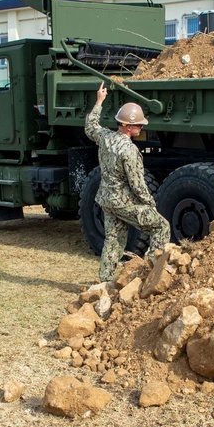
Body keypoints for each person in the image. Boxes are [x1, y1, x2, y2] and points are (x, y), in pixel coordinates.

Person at [85, 82, 170, 282]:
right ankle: (150, 270)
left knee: (113, 240)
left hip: (106, 199)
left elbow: (90, 127)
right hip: (123, 202)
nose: (141, 127)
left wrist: (99, 101)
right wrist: (150, 203)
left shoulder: (105, 138)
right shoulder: (129, 150)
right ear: (129, 126)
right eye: (139, 125)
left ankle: (105, 282)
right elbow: (137, 184)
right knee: (162, 226)